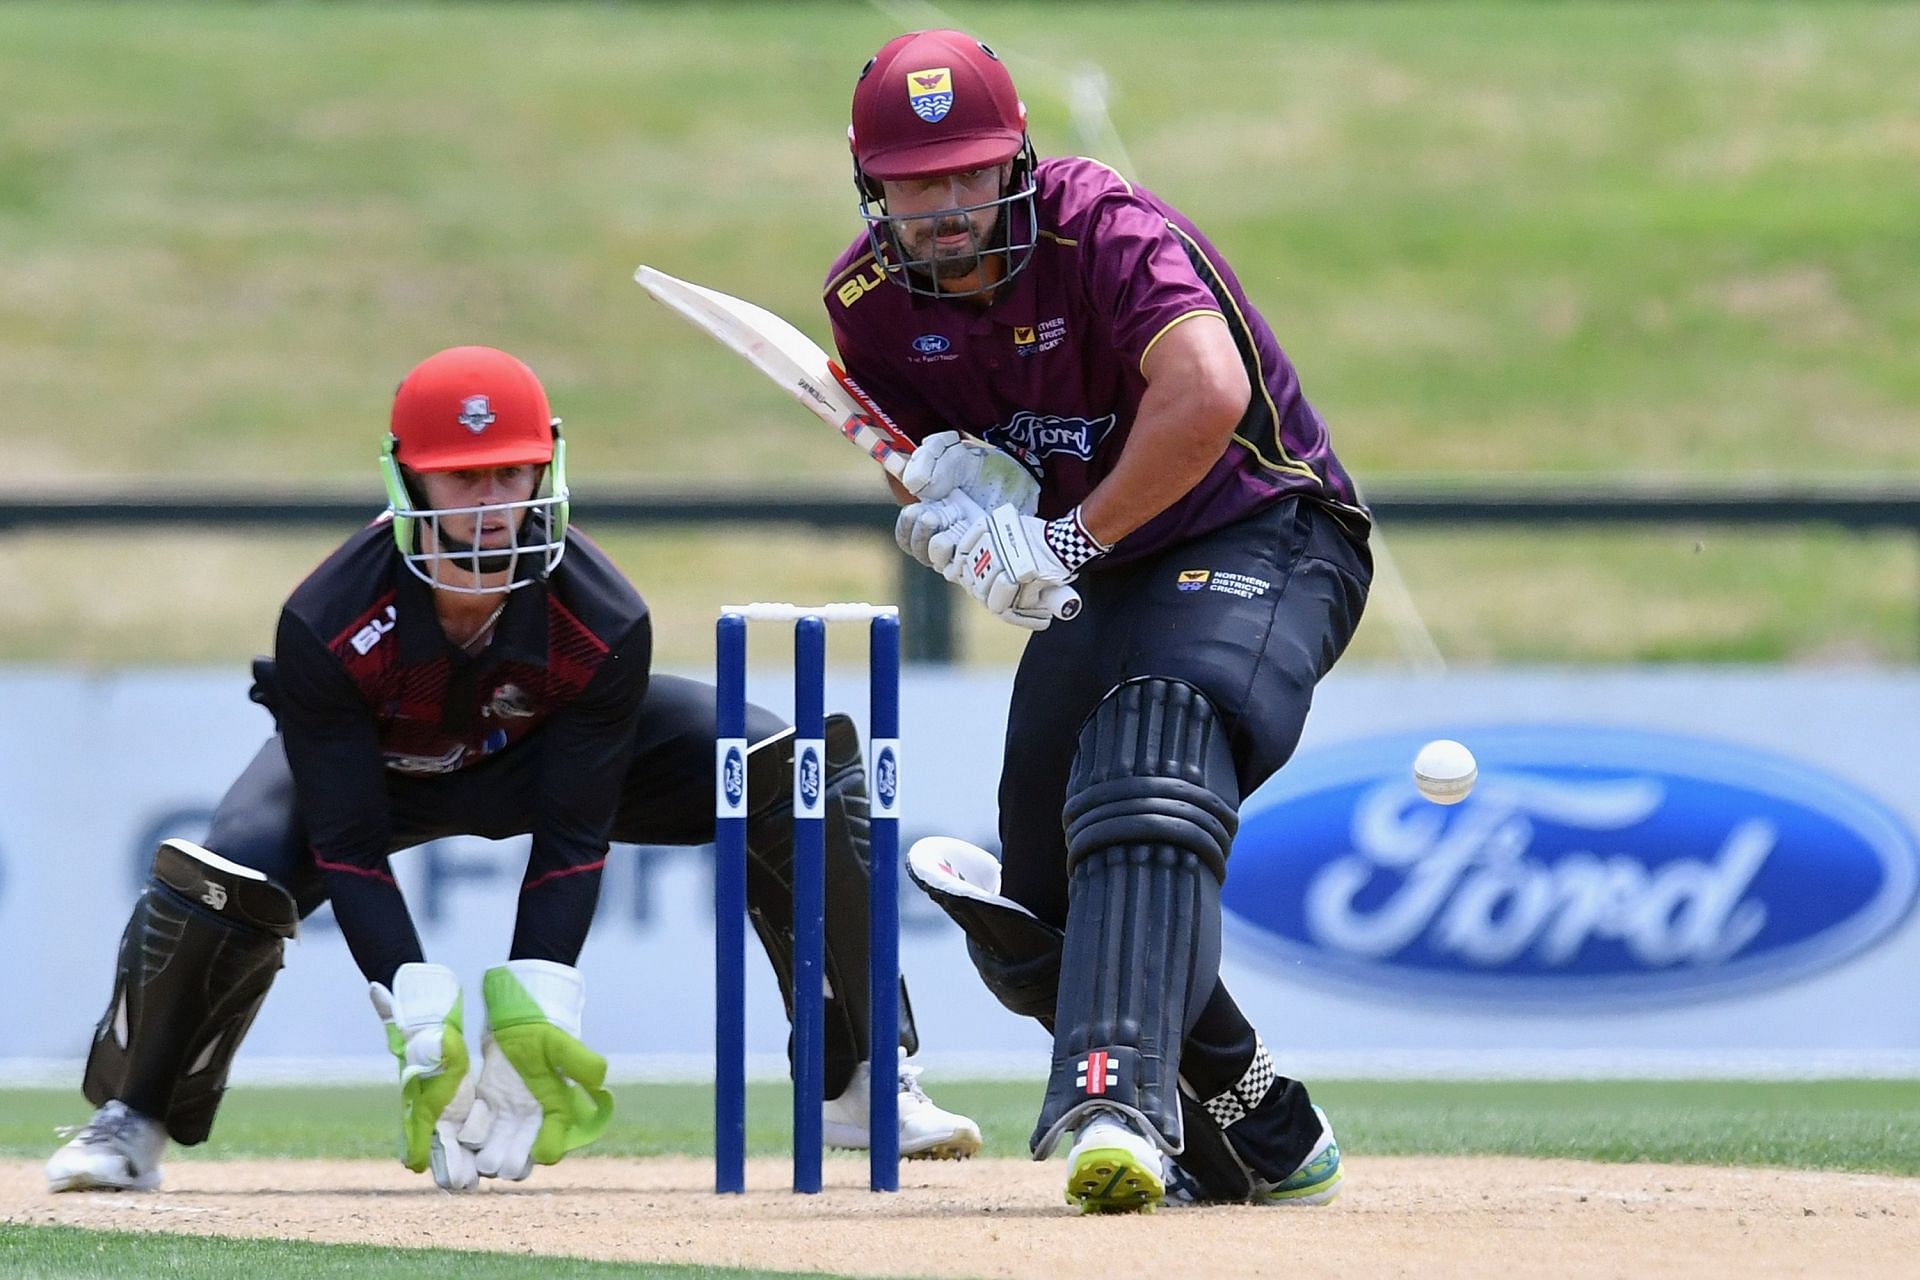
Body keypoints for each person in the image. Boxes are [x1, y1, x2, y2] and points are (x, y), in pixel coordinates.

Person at [46, 345, 979, 1193]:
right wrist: (415, 1011)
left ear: (548, 466)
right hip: (383, 774)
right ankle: (132, 1117)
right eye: (462, 481)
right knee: (226, 874)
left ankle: (861, 1082)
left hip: (542, 756)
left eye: (510, 472)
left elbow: (574, 833)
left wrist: (535, 1002)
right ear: (406, 479)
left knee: (793, 767)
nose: (493, 504)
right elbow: (349, 843)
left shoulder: (603, 617)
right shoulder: (327, 621)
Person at [824, 30, 1373, 1212]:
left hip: (1263, 528)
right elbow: (914, 457)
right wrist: (964, 520)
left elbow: (1208, 395)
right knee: (1046, 909)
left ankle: (1111, 1096)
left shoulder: (1106, 232)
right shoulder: (865, 304)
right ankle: (1266, 1129)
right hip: (1102, 571)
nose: (952, 205)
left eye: (973, 171)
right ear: (875, 188)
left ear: (1017, 157)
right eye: (920, 183)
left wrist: (1068, 539)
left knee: (1153, 746)